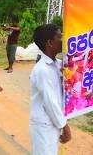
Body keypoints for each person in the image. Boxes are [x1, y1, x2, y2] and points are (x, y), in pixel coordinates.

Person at [30, 24, 71, 155]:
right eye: (60, 37)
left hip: (51, 123)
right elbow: (50, 102)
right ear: (50, 43)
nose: (63, 39)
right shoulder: (43, 70)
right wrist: (64, 126)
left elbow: (69, 68)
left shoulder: (56, 64)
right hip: (44, 126)